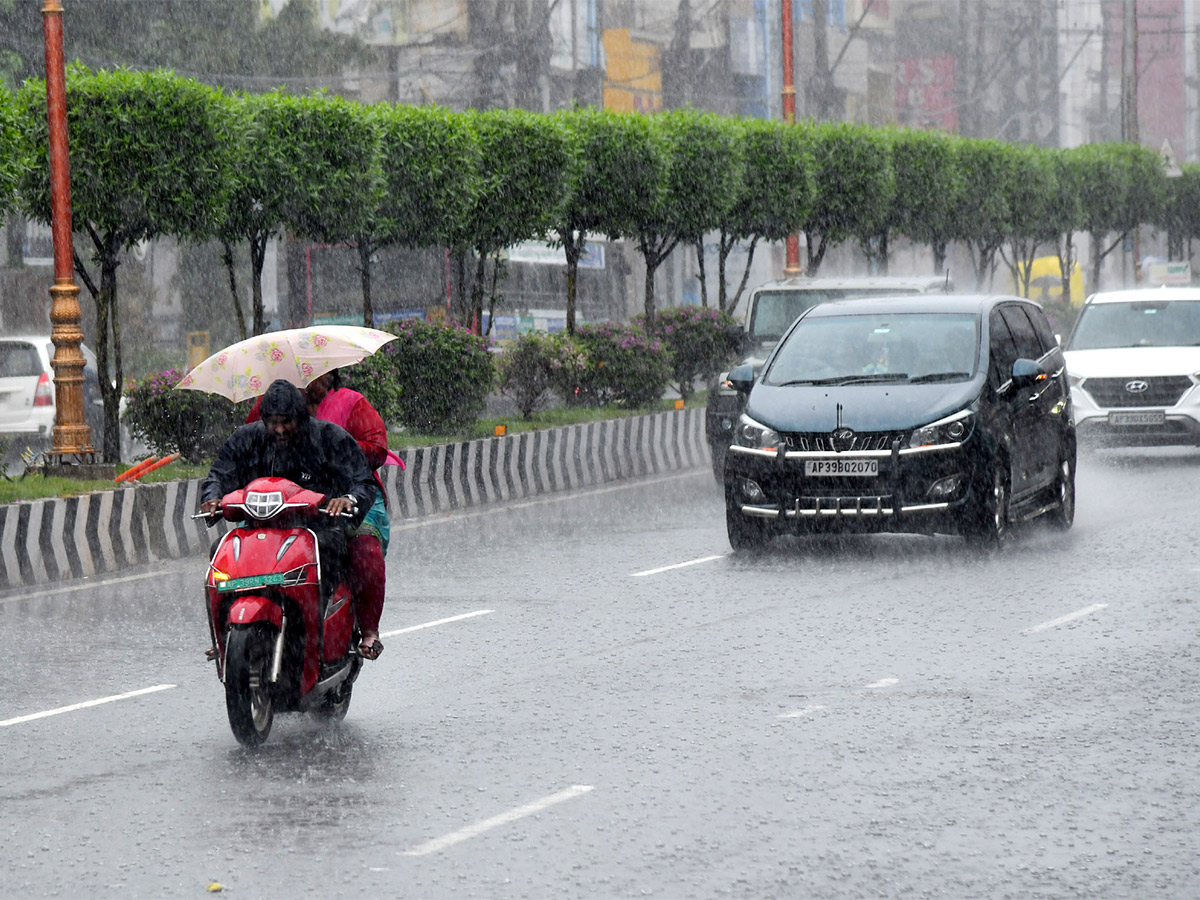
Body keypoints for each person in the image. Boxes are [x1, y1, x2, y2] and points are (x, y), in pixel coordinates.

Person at [200, 379, 377, 632]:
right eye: (273, 422)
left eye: (287, 422)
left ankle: (315, 628)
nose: (280, 429)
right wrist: (213, 497)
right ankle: (224, 634)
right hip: (257, 530)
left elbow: (362, 481)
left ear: (301, 417)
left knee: (328, 553)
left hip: (318, 530)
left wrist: (347, 499)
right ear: (263, 420)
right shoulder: (246, 439)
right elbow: (218, 475)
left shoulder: (329, 437)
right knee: (221, 554)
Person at [244, 369, 396, 660]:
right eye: (299, 375)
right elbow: (249, 448)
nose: (308, 381)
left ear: (331, 375)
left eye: (315, 373)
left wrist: (333, 448)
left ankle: (368, 631)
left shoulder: (352, 404)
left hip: (344, 494)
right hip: (281, 498)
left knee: (364, 549)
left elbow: (377, 449)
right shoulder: (270, 407)